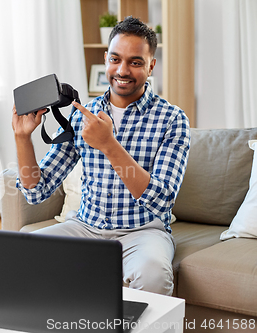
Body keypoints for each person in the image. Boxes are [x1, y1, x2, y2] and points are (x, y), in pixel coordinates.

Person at [11, 16, 190, 296]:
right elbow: (37, 190)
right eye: (116, 59)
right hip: (85, 228)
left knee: (153, 274)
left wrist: (109, 145)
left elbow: (161, 198)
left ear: (151, 65)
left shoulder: (172, 119)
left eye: (136, 62)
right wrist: (23, 138)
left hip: (143, 233)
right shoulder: (84, 113)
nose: (123, 70)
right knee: (19, 252)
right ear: (106, 58)